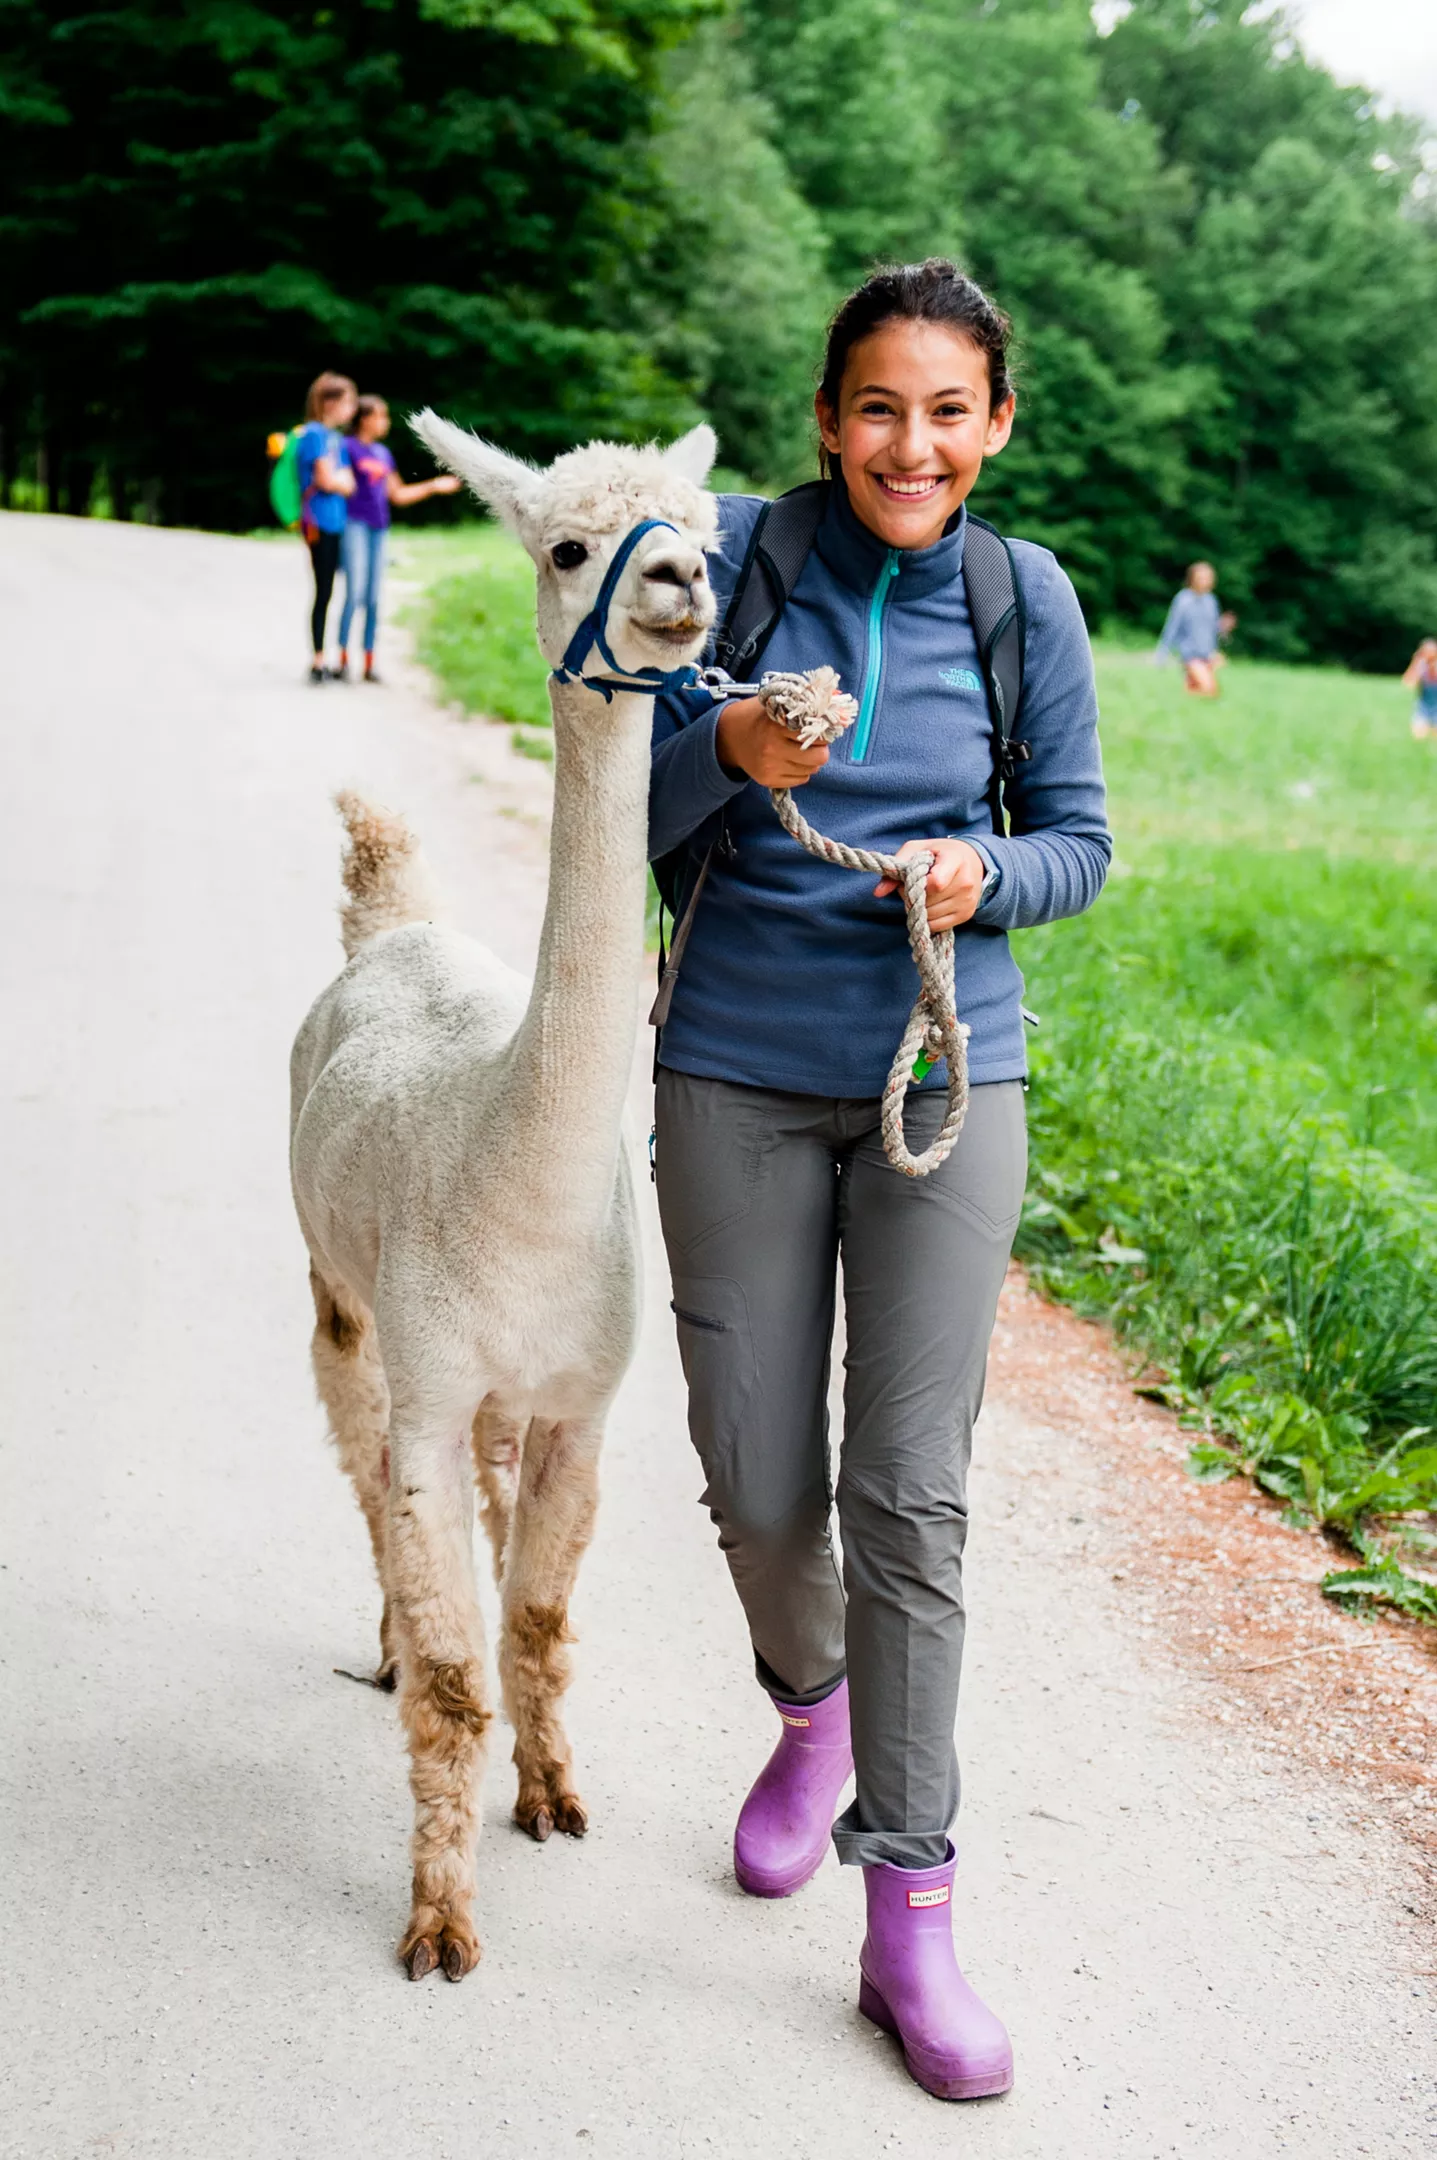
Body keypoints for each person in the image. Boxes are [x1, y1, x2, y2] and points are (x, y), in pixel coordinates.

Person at [648, 259, 1110, 2101]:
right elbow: (617, 801)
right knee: (760, 1486)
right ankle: (806, 1712)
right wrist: (730, 749)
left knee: (905, 1495)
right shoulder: (730, 563)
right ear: (826, 416)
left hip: (943, 1072)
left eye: (946, 411)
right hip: (734, 1072)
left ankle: (907, 1920)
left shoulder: (1026, 600)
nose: (906, 444)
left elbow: (1080, 845)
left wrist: (984, 879)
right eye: (873, 407)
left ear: (994, 424)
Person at [336, 394, 462, 683]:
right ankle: (342, 659)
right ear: (365, 418)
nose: (386, 422)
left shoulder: (383, 454)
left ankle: (368, 663)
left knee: (373, 598)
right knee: (354, 593)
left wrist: (434, 486)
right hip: (354, 525)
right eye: (381, 415)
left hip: (379, 528)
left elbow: (398, 494)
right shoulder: (347, 448)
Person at [295, 372, 357, 682]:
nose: (352, 409)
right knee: (323, 591)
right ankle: (318, 660)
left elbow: (347, 483)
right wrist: (337, 481)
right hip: (318, 522)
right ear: (329, 403)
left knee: (332, 590)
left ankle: (328, 655)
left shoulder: (336, 439)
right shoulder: (314, 435)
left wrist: (338, 481)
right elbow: (327, 479)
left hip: (336, 521)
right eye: (348, 402)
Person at [1153, 560, 1231, 695]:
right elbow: (1172, 627)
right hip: (1190, 654)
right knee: (1209, 690)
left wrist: (1223, 628)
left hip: (1206, 654)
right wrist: (1162, 653)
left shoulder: (1211, 600)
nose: (1205, 581)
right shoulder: (1183, 599)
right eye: (1201, 578)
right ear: (1192, 579)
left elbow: (1213, 629)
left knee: (1194, 692)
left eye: (1208, 578)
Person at [1402, 638, 1437, 740]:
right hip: (1423, 708)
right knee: (1418, 739)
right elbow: (1408, 683)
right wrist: (1415, 662)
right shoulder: (1420, 666)